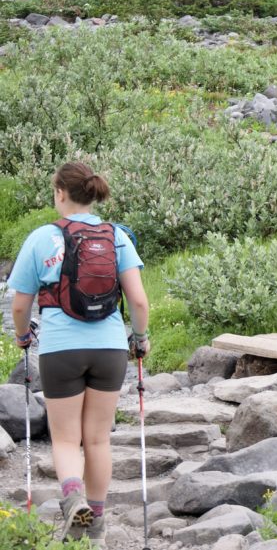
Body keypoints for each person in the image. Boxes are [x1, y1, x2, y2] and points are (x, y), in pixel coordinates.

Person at [10, 162, 150, 547]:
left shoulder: (42, 238)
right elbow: (138, 300)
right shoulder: (118, 237)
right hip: (109, 349)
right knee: (98, 440)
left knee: (67, 439)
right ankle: (98, 523)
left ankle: (73, 499)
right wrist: (141, 338)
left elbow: (21, 306)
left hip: (61, 350)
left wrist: (23, 338)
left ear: (60, 193)